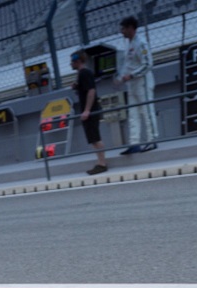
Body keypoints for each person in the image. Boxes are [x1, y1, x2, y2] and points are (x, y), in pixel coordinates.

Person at [117, 15, 158, 154]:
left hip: (142, 83)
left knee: (147, 111)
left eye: (123, 28)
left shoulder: (141, 43)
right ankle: (135, 143)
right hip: (132, 85)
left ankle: (152, 140)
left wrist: (132, 75)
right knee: (133, 113)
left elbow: (148, 64)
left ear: (130, 28)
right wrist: (121, 77)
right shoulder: (128, 44)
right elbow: (127, 64)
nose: (121, 32)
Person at [72, 51, 109, 175]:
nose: (70, 64)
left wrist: (87, 110)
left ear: (77, 61)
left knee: (95, 137)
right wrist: (77, 87)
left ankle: (102, 163)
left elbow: (91, 91)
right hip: (89, 110)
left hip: (91, 110)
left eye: (72, 61)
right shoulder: (81, 74)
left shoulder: (84, 73)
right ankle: (100, 162)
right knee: (93, 138)